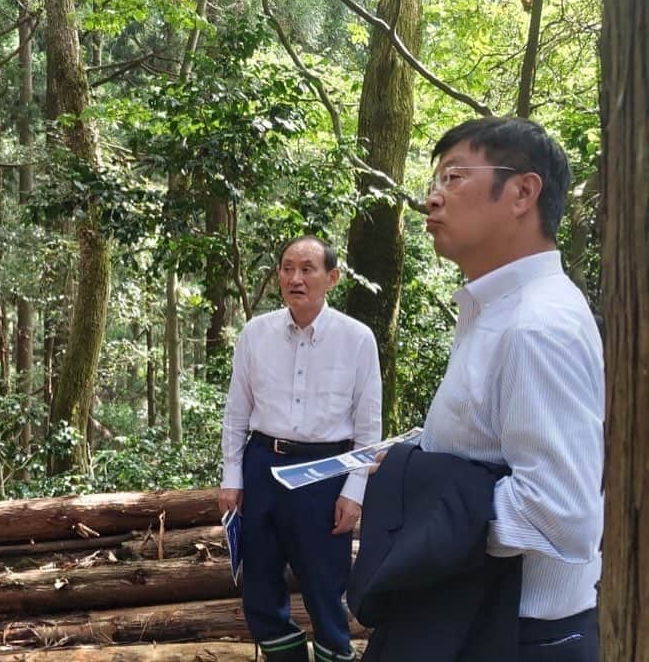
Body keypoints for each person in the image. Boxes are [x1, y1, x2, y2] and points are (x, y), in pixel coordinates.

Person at [411, 117, 603, 660]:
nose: (433, 199)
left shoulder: (536, 325)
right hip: (486, 613)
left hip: (521, 633)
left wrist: (417, 501)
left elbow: (559, 513)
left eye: (453, 177)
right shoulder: (496, 309)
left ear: (522, 192)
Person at [219, 236, 382, 662]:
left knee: (325, 584)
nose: (295, 278)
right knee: (259, 582)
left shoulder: (357, 339)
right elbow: (237, 411)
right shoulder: (256, 335)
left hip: (326, 469)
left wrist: (354, 491)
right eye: (287, 268)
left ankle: (334, 653)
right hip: (262, 464)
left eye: (307, 269)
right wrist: (231, 477)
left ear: (332, 278)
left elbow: (369, 427)